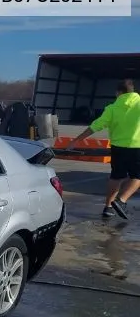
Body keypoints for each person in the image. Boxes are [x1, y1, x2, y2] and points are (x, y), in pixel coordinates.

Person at [67, 78, 140, 219]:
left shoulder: (112, 108)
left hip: (118, 147)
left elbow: (95, 126)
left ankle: (108, 207)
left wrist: (76, 141)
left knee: (116, 177)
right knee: (137, 177)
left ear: (118, 92)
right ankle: (121, 201)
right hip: (137, 147)